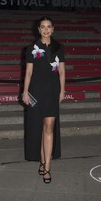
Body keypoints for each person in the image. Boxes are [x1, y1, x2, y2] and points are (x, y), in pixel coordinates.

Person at [22, 16, 66, 184]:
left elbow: (61, 71)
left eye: (49, 27)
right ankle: (41, 160)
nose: (46, 29)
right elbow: (28, 72)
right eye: (43, 27)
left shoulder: (59, 47)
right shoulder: (31, 48)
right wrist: (25, 92)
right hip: (36, 92)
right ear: (38, 30)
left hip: (52, 92)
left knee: (49, 128)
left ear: (53, 29)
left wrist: (62, 90)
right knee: (39, 128)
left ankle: (47, 166)